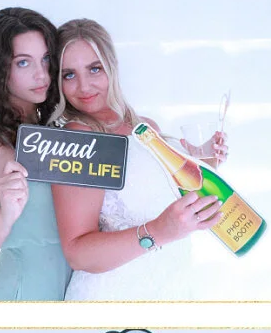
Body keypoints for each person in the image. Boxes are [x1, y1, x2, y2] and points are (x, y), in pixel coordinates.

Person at [50, 19, 228, 301]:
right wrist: (159, 232)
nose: (83, 86)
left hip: (172, 284)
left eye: (94, 69)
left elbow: (166, 200)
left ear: (112, 66)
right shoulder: (79, 139)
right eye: (69, 75)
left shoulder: (144, 127)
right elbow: (78, 253)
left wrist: (205, 161)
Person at [0, 7, 70, 300]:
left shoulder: (56, 135)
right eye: (23, 62)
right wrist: (4, 216)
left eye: (46, 59)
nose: (40, 74)